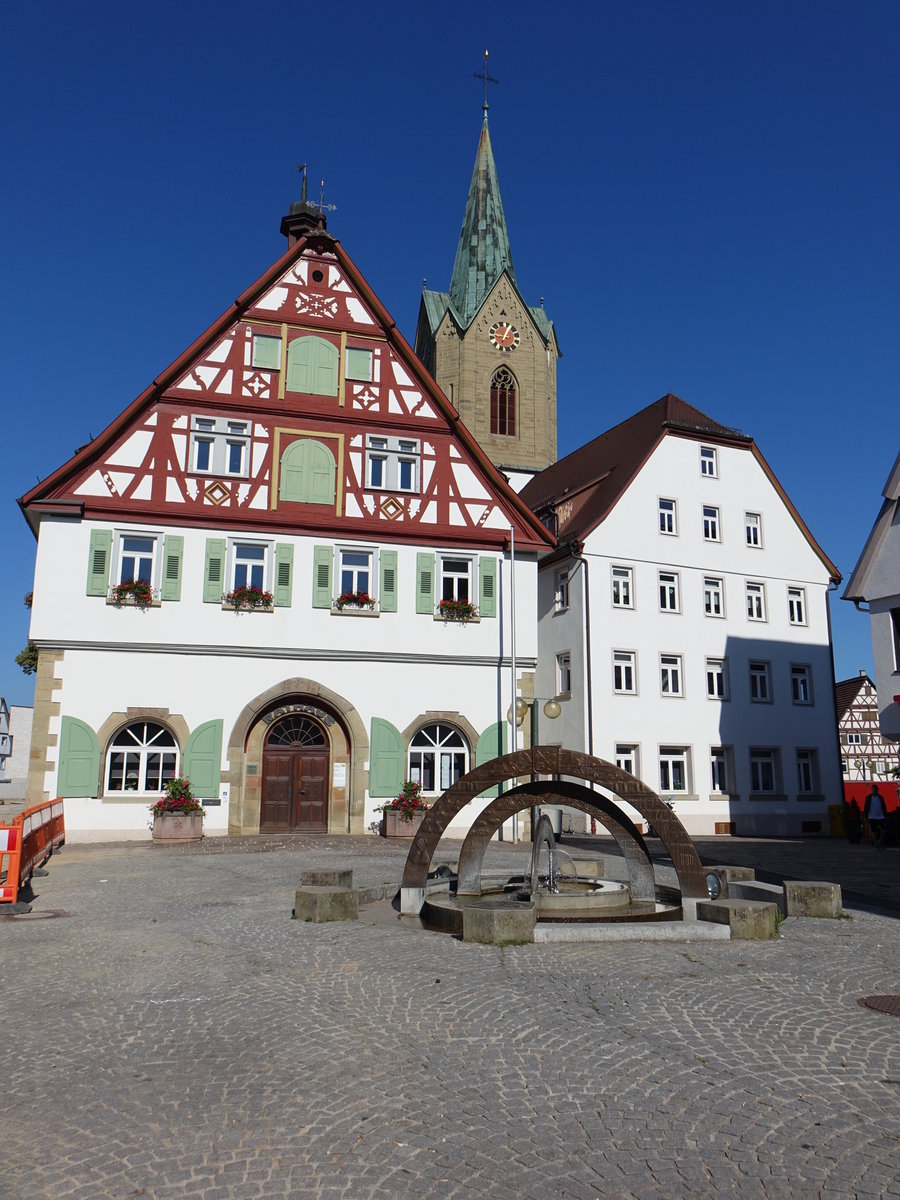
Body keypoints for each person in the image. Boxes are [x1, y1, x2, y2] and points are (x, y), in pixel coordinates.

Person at [863, 784, 888, 850]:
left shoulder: (880, 797)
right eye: (873, 789)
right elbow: (866, 807)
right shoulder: (868, 798)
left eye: (875, 789)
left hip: (881, 816)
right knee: (874, 831)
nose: (874, 790)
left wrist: (885, 814)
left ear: (877, 789)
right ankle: (876, 844)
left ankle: (880, 841)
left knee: (884, 830)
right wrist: (865, 816)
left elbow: (884, 806)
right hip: (872, 816)